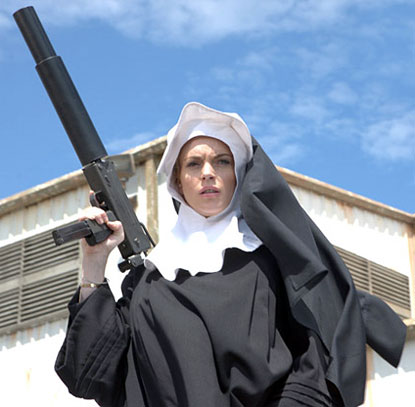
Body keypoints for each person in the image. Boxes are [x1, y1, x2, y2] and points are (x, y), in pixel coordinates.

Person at [55, 102, 406, 407]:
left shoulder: (273, 262)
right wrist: (94, 263)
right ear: (178, 181)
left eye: (221, 162)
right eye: (194, 164)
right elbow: (89, 374)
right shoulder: (149, 283)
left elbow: (316, 363)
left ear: (238, 175)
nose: (208, 173)